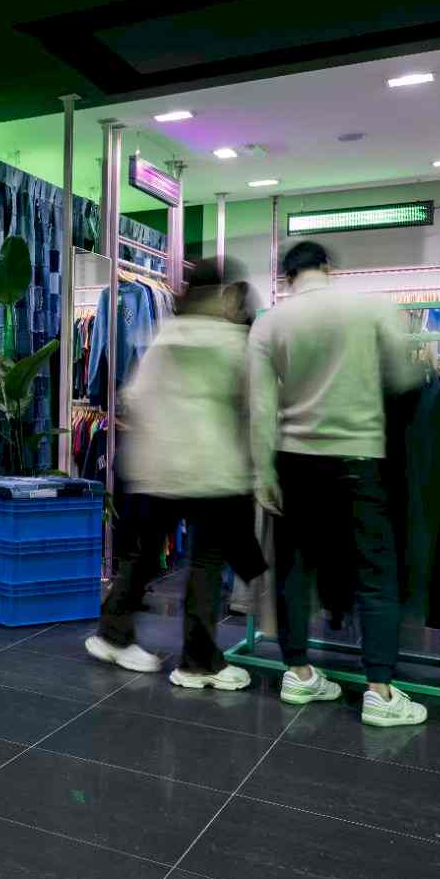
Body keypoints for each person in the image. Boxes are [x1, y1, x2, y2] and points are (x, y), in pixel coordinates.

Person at [248, 241, 427, 726]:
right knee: (375, 572)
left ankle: (299, 672)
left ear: (286, 277)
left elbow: (262, 408)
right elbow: (406, 378)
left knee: (293, 570)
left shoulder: (269, 323)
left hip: (294, 461)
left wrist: (264, 474)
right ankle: (380, 690)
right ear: (329, 268)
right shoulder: (370, 307)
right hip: (358, 456)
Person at [86, 262, 268, 688]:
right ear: (225, 295)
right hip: (210, 469)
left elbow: (133, 397)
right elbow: (254, 409)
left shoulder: (164, 335)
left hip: (156, 466)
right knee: (205, 563)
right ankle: (198, 662)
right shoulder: (234, 341)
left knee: (144, 555)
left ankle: (113, 632)